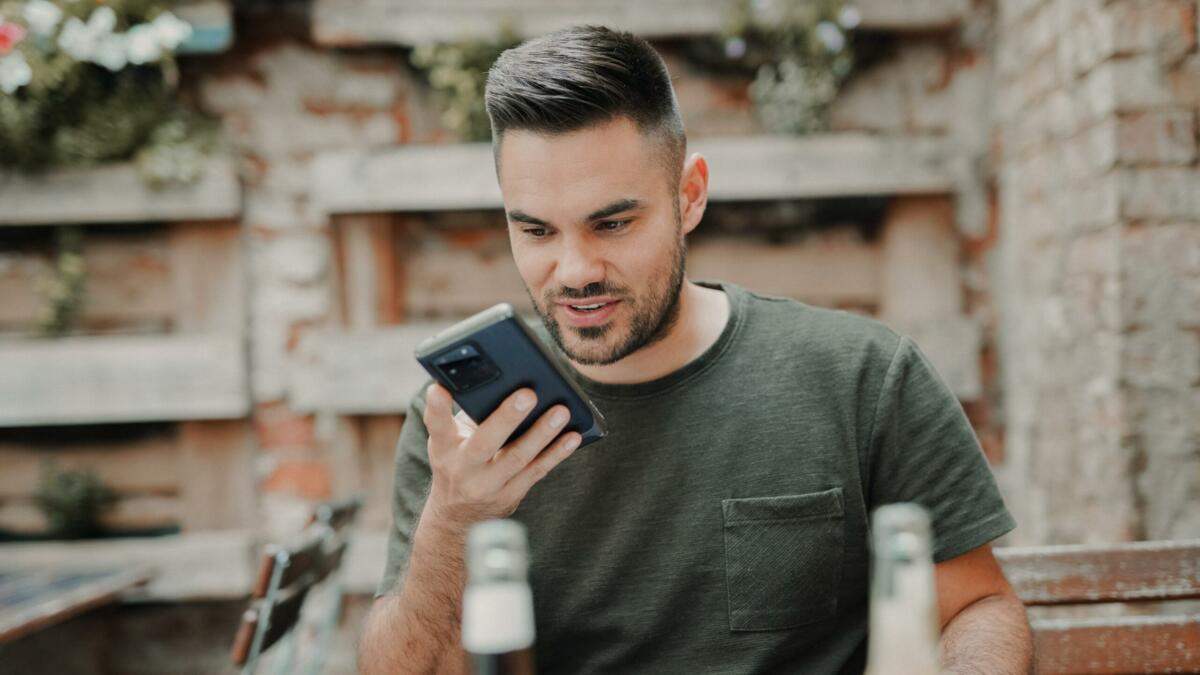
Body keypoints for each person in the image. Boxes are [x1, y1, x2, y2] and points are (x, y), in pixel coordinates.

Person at [359, 25, 1033, 675]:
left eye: (613, 223)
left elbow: (976, 606)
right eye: (535, 229)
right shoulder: (462, 428)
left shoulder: (863, 378)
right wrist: (452, 524)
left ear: (689, 195)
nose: (573, 269)